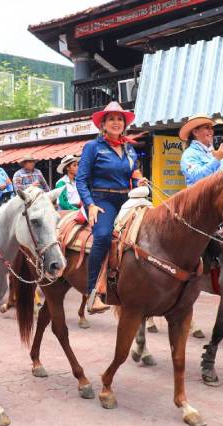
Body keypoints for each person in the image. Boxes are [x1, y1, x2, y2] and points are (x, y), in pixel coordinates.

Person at [77, 102, 146, 314]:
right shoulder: (92, 147)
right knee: (104, 236)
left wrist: (140, 182)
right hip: (102, 201)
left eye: (120, 119)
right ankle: (92, 294)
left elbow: (133, 175)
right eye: (111, 119)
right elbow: (81, 180)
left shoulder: (130, 149)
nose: (116, 122)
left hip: (127, 200)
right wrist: (90, 205)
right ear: (103, 125)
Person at [178, 114, 223, 339]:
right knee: (194, 254)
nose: (210, 132)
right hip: (198, 209)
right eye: (205, 129)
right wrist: (216, 160)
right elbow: (196, 177)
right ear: (195, 132)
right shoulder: (189, 154)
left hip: (218, 208)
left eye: (211, 128)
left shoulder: (216, 153)